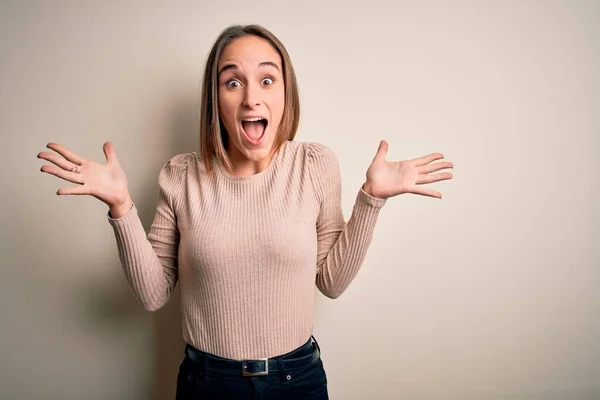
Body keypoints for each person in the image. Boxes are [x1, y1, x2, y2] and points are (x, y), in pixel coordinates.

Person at [37, 24, 453, 400]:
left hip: (298, 381)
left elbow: (331, 282)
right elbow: (153, 294)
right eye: (232, 81)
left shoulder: (314, 165)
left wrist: (370, 199)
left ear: (285, 93)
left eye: (267, 80)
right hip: (207, 384)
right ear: (215, 100)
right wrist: (122, 208)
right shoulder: (181, 175)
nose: (252, 96)